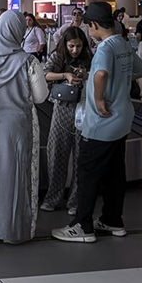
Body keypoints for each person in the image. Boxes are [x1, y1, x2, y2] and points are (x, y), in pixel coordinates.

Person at [52, 2, 142, 243]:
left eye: (89, 26)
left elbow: (102, 74)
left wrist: (99, 99)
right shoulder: (123, 44)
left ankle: (82, 226)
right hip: (122, 119)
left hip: (102, 122)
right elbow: (141, 69)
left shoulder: (105, 47)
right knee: (115, 173)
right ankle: (112, 220)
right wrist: (118, 82)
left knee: (87, 173)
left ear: (94, 25)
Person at [0, 11, 49, 244]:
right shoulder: (28, 61)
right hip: (16, 128)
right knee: (15, 176)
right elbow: (40, 96)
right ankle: (13, 231)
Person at [41, 26, 93, 215]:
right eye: (71, 46)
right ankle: (52, 198)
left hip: (83, 109)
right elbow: (44, 73)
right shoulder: (58, 56)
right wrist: (66, 75)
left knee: (81, 157)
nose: (75, 50)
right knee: (57, 154)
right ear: (65, 44)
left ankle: (75, 201)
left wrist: (85, 75)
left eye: (78, 46)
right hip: (62, 108)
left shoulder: (89, 57)